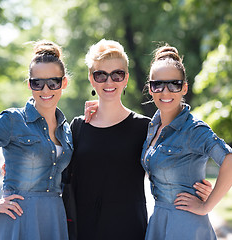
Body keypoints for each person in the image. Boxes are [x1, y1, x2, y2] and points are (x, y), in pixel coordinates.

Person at [66, 39, 213, 240]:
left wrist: (199, 189)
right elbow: (58, 174)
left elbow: (173, 166)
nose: (109, 82)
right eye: (101, 75)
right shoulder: (78, 127)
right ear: (92, 79)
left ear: (126, 78)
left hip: (130, 230)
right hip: (83, 231)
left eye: (117, 74)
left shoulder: (145, 128)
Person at [0, 40, 72, 240]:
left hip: (53, 218)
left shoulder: (67, 129)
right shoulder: (12, 120)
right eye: (37, 83)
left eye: (53, 82)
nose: (45, 90)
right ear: (29, 84)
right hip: (17, 219)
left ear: (64, 83)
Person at [141, 43, 232, 239]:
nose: (165, 91)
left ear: (184, 88)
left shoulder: (194, 129)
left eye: (174, 84)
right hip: (159, 221)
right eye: (158, 84)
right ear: (150, 88)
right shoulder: (152, 127)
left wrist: (207, 205)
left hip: (186, 226)